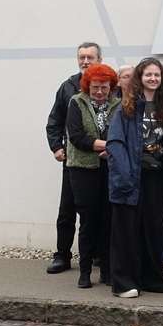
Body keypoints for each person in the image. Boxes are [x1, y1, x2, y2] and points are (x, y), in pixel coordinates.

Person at [105, 57, 163, 298]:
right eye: (148, 74)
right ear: (140, 78)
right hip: (129, 176)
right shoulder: (127, 106)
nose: (153, 78)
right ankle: (124, 283)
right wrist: (124, 175)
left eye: (157, 74)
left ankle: (150, 278)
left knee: (152, 228)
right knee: (126, 231)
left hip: (154, 176)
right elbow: (115, 142)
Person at [45, 42, 102, 274]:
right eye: (81, 57)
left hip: (100, 160)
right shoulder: (68, 87)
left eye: (90, 57)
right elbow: (54, 122)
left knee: (95, 210)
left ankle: (96, 254)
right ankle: (62, 256)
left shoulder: (108, 85)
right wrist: (56, 147)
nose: (85, 61)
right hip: (72, 160)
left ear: (99, 60)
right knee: (67, 210)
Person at [65, 63, 120, 289]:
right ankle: (85, 271)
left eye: (104, 87)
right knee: (88, 222)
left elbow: (121, 134)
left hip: (109, 169)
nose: (99, 92)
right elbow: (77, 137)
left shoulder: (117, 105)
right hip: (83, 170)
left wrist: (112, 146)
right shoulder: (76, 102)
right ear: (87, 86)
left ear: (111, 87)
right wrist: (109, 145)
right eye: (95, 87)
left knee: (108, 221)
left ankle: (107, 271)